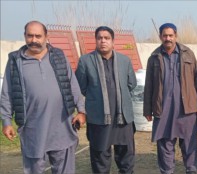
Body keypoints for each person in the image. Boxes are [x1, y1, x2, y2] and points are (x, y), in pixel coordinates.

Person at [0, 20, 86, 174]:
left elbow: (72, 84)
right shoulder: (15, 61)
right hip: (33, 129)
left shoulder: (59, 56)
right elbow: (7, 93)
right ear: (24, 36)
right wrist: (6, 121)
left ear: (46, 37)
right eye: (30, 36)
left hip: (62, 126)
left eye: (38, 36)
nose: (34, 40)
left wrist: (81, 110)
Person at [143, 23, 197, 174]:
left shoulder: (188, 53)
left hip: (187, 108)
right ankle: (167, 171)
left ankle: (192, 170)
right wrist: (147, 109)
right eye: (165, 36)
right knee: (165, 143)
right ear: (160, 37)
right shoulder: (154, 57)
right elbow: (149, 85)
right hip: (163, 108)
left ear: (176, 36)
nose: (168, 38)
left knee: (189, 142)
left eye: (171, 35)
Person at [75, 26, 137, 174]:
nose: (103, 41)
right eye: (99, 38)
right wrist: (98, 97)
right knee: (100, 159)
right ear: (96, 41)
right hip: (99, 118)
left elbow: (131, 84)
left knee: (126, 158)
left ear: (113, 41)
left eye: (107, 38)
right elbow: (80, 87)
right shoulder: (85, 61)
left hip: (123, 118)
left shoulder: (124, 60)